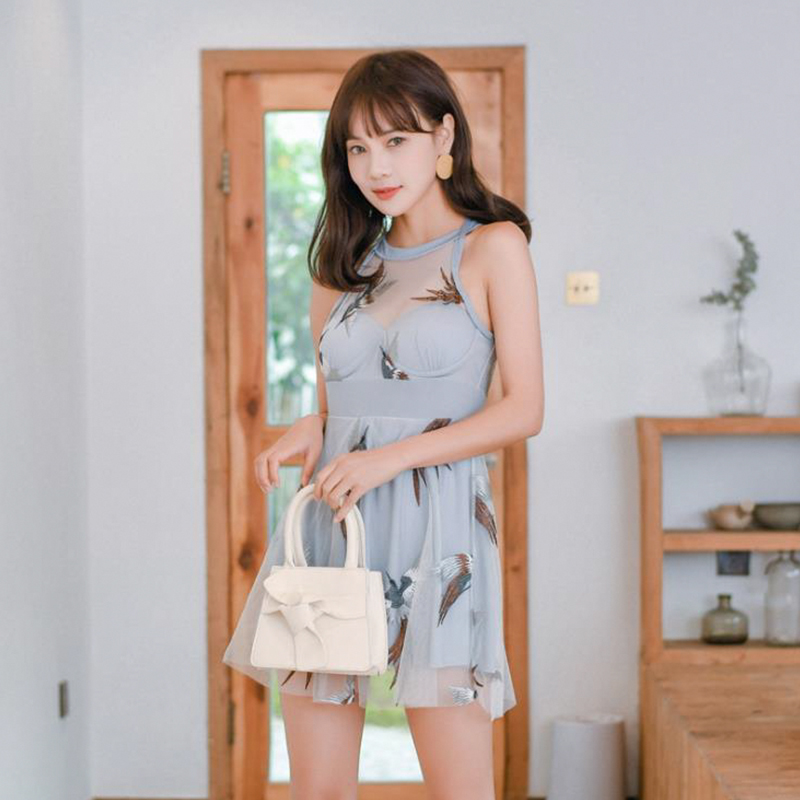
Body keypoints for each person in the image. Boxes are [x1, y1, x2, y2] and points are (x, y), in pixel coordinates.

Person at [223, 48, 544, 800]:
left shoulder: (492, 248)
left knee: (460, 789)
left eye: (396, 140)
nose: (377, 166)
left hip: (441, 531)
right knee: (317, 790)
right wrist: (312, 425)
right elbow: (343, 397)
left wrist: (391, 458)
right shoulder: (340, 266)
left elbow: (524, 408)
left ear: (444, 136)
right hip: (337, 526)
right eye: (358, 148)